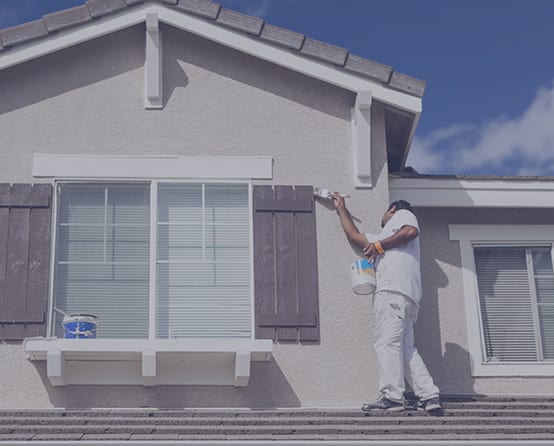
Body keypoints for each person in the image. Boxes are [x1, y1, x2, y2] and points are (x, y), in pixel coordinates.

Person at [332, 195, 441, 413]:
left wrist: (380, 245)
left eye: (385, 218)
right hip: (406, 295)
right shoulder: (385, 235)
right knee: (405, 348)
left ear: (391, 210)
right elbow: (354, 236)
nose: (383, 222)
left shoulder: (403, 214)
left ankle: (392, 396)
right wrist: (341, 208)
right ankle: (428, 395)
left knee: (386, 343)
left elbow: (410, 231)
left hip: (392, 290)